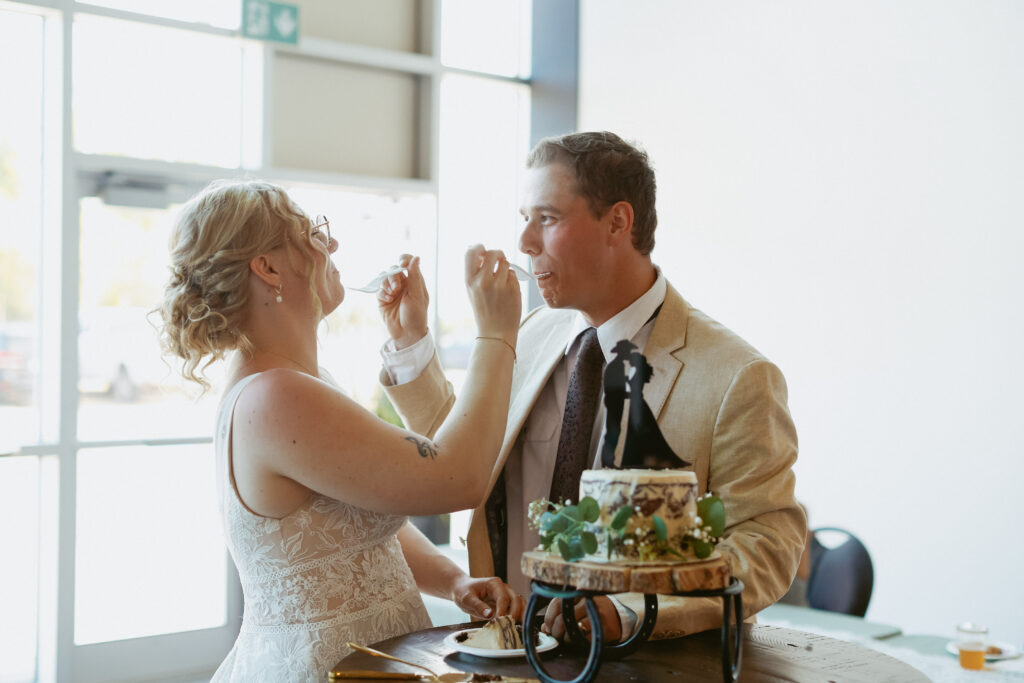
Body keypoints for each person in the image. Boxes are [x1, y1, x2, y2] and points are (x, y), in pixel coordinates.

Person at [378, 131, 806, 642]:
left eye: (548, 218)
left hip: (651, 667)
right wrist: (410, 344)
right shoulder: (529, 334)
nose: (524, 243)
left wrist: (634, 612)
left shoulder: (736, 375)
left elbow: (767, 544)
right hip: (511, 653)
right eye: (524, 219)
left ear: (618, 223)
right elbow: (462, 459)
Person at [157, 179, 525, 682]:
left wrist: (455, 580)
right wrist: (496, 333)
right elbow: (458, 478)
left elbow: (361, 521)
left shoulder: (300, 385)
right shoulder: (277, 396)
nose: (331, 244)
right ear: (266, 267)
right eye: (311, 231)